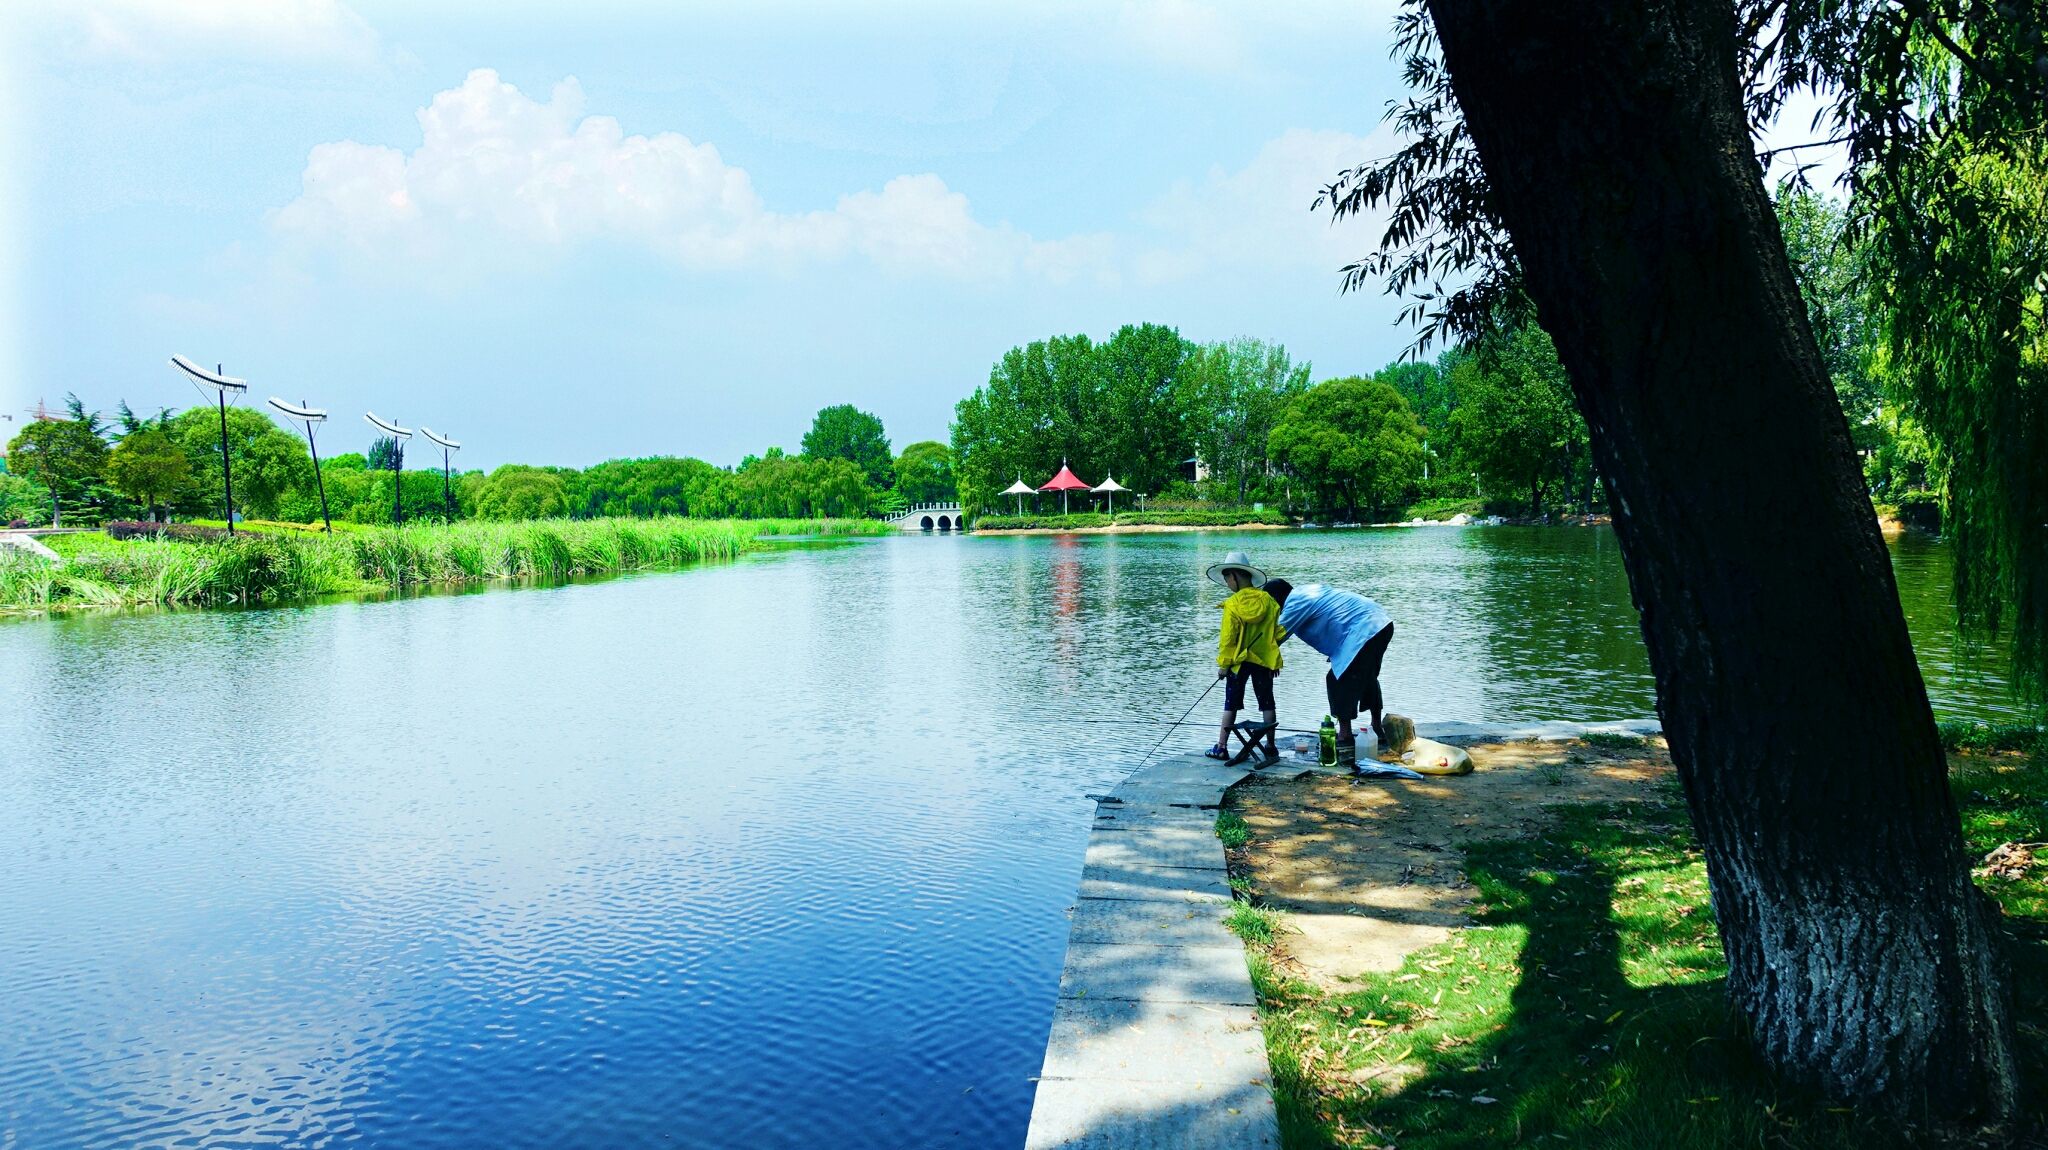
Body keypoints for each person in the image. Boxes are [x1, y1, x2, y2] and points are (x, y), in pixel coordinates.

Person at [1264, 578, 1393, 754]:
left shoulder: (1295, 602)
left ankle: (1345, 736)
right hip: (1380, 623)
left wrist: (1263, 659)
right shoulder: (1306, 592)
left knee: (1337, 679)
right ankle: (1376, 727)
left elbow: (1276, 636)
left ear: (1276, 599)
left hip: (1365, 628)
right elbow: (1333, 618)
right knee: (1366, 676)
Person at [1203, 551, 1284, 760]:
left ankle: (1221, 746)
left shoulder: (1233, 604)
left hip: (1238, 664)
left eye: (1226, 578)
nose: (1226, 583)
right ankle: (1271, 747)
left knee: (1231, 703)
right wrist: (1274, 660)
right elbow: (1277, 633)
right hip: (1264, 662)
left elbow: (1228, 639)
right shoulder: (1269, 601)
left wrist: (1224, 665)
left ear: (1234, 576)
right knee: (1268, 703)